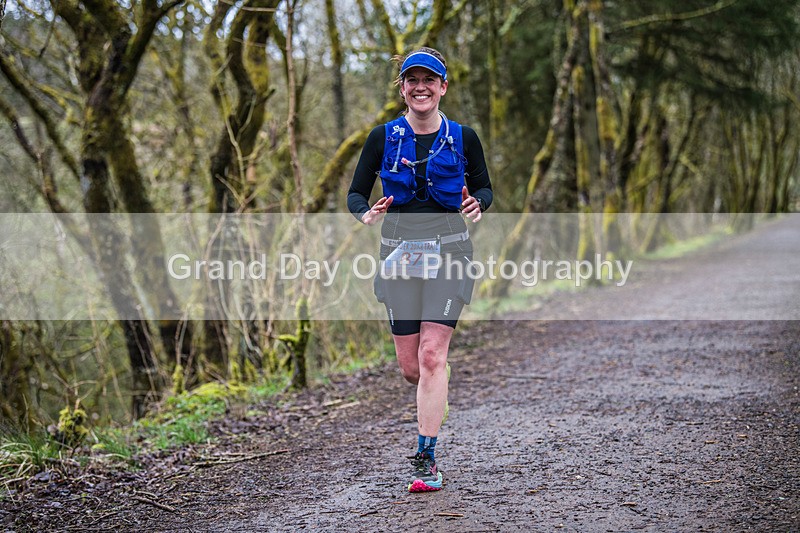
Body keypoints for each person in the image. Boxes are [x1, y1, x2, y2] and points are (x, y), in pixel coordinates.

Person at [347, 47, 493, 492]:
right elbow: (355, 193)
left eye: (430, 79)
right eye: (412, 80)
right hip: (399, 257)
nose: (420, 86)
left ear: (443, 87)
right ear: (403, 89)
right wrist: (365, 214)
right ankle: (435, 390)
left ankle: (426, 459)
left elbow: (485, 187)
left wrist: (477, 204)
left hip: (450, 253)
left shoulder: (463, 137)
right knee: (412, 369)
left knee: (433, 356)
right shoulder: (382, 137)